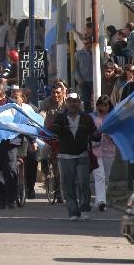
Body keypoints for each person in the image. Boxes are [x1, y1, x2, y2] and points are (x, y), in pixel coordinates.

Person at [48, 93, 99, 221]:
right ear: (66, 103)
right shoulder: (60, 118)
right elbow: (54, 130)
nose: (73, 104)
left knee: (83, 183)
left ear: (79, 102)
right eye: (70, 101)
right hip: (65, 156)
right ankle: (73, 211)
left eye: (75, 101)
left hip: (82, 155)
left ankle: (84, 209)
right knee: (68, 184)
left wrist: (97, 135)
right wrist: (52, 129)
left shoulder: (86, 118)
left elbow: (94, 133)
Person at [90, 95, 116, 212]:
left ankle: (101, 198)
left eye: (105, 105)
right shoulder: (94, 118)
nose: (102, 107)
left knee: (106, 176)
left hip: (109, 151)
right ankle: (101, 201)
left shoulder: (113, 118)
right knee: (100, 176)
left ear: (108, 106)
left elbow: (117, 135)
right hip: (96, 151)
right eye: (100, 104)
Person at [74, 36, 93, 112]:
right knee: (85, 100)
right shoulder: (78, 54)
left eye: (89, 43)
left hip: (94, 81)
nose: (87, 45)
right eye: (85, 44)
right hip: (83, 81)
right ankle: (86, 115)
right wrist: (79, 79)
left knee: (94, 99)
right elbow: (75, 68)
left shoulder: (95, 53)